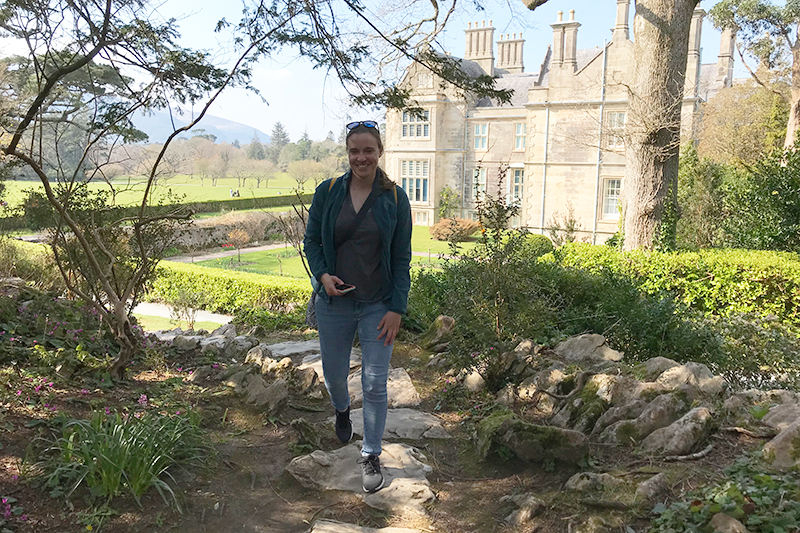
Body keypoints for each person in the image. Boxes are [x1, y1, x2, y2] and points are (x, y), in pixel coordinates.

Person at [303, 120, 412, 494]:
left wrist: (396, 307)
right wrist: (322, 276)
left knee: (376, 383)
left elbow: (401, 259)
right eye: (354, 151)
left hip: (377, 306)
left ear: (380, 152)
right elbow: (312, 242)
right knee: (334, 376)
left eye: (368, 150)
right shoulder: (328, 191)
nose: (361, 157)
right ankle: (341, 409)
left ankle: (370, 453)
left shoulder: (395, 199)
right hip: (334, 305)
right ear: (347, 153)